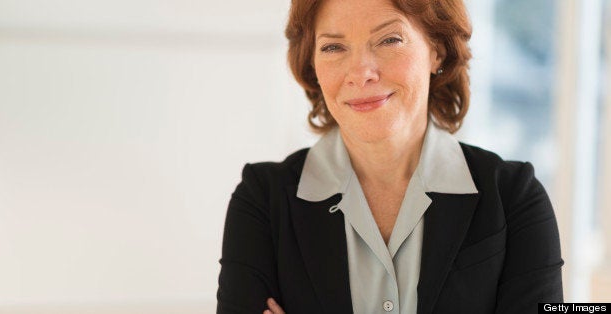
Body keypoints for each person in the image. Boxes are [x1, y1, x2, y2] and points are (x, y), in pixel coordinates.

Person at [217, 0, 564, 313]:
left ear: (437, 50)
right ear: (313, 65)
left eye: (389, 40)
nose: (360, 73)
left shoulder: (515, 198)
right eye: (334, 47)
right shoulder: (262, 202)